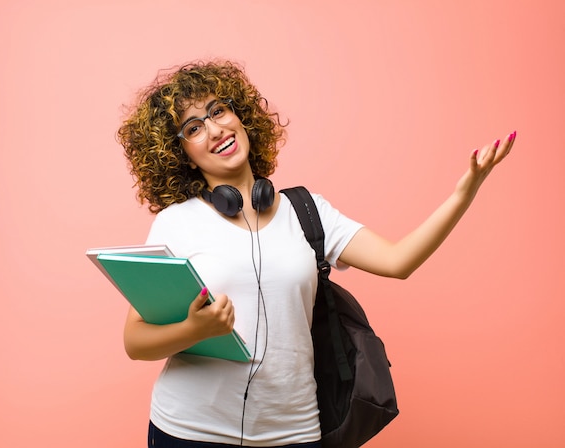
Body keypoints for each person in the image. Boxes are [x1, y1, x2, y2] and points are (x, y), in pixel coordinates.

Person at [116, 60, 515, 448]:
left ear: (241, 115)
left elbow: (399, 261)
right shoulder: (176, 223)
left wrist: (465, 193)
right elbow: (136, 341)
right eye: (194, 127)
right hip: (190, 432)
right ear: (180, 153)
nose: (216, 129)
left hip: (294, 433)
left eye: (218, 110)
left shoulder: (308, 212)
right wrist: (195, 330)